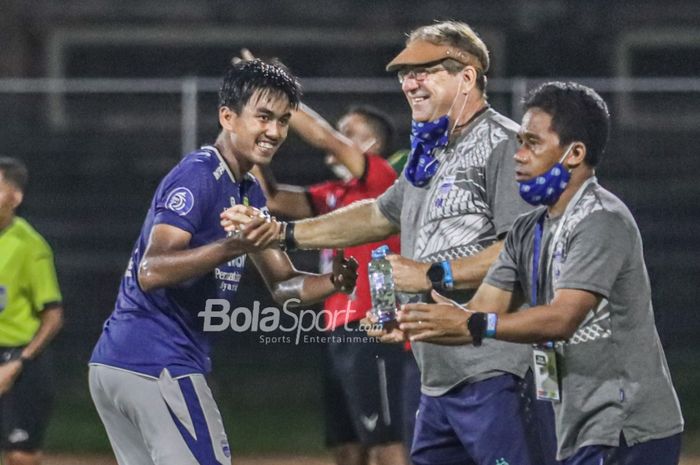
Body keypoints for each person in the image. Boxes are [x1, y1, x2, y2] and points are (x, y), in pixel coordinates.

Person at [223, 21, 544, 465]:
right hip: (433, 372)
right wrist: (284, 233)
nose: (409, 82)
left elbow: (523, 250)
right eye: (404, 73)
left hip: (492, 369)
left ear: (467, 76)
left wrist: (434, 274)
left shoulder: (504, 143)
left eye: (424, 70)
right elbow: (377, 214)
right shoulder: (428, 154)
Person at [398, 81, 685, 464]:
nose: (517, 155)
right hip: (573, 423)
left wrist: (474, 324)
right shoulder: (527, 228)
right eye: (519, 141)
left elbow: (562, 318)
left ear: (575, 153)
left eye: (532, 143)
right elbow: (482, 309)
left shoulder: (601, 219)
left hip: (625, 427)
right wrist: (416, 322)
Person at [88, 58, 358, 465]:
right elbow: (152, 270)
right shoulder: (200, 173)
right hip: (156, 362)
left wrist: (335, 281)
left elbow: (285, 289)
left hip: (123, 365)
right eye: (263, 117)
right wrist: (233, 247)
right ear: (228, 117)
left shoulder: (249, 192)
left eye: (283, 120)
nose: (274, 131)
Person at [252, 99, 410, 465]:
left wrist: (277, 99)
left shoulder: (382, 179)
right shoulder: (335, 194)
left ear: (371, 145)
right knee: (347, 446)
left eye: (350, 132)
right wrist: (254, 142)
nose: (340, 137)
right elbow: (274, 198)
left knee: (385, 441)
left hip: (375, 324)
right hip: (336, 327)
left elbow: (323, 137)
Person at [0, 157, 64, 465]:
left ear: (15, 197)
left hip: (19, 366)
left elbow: (53, 315)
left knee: (21, 457)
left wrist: (19, 362)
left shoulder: (30, 246)